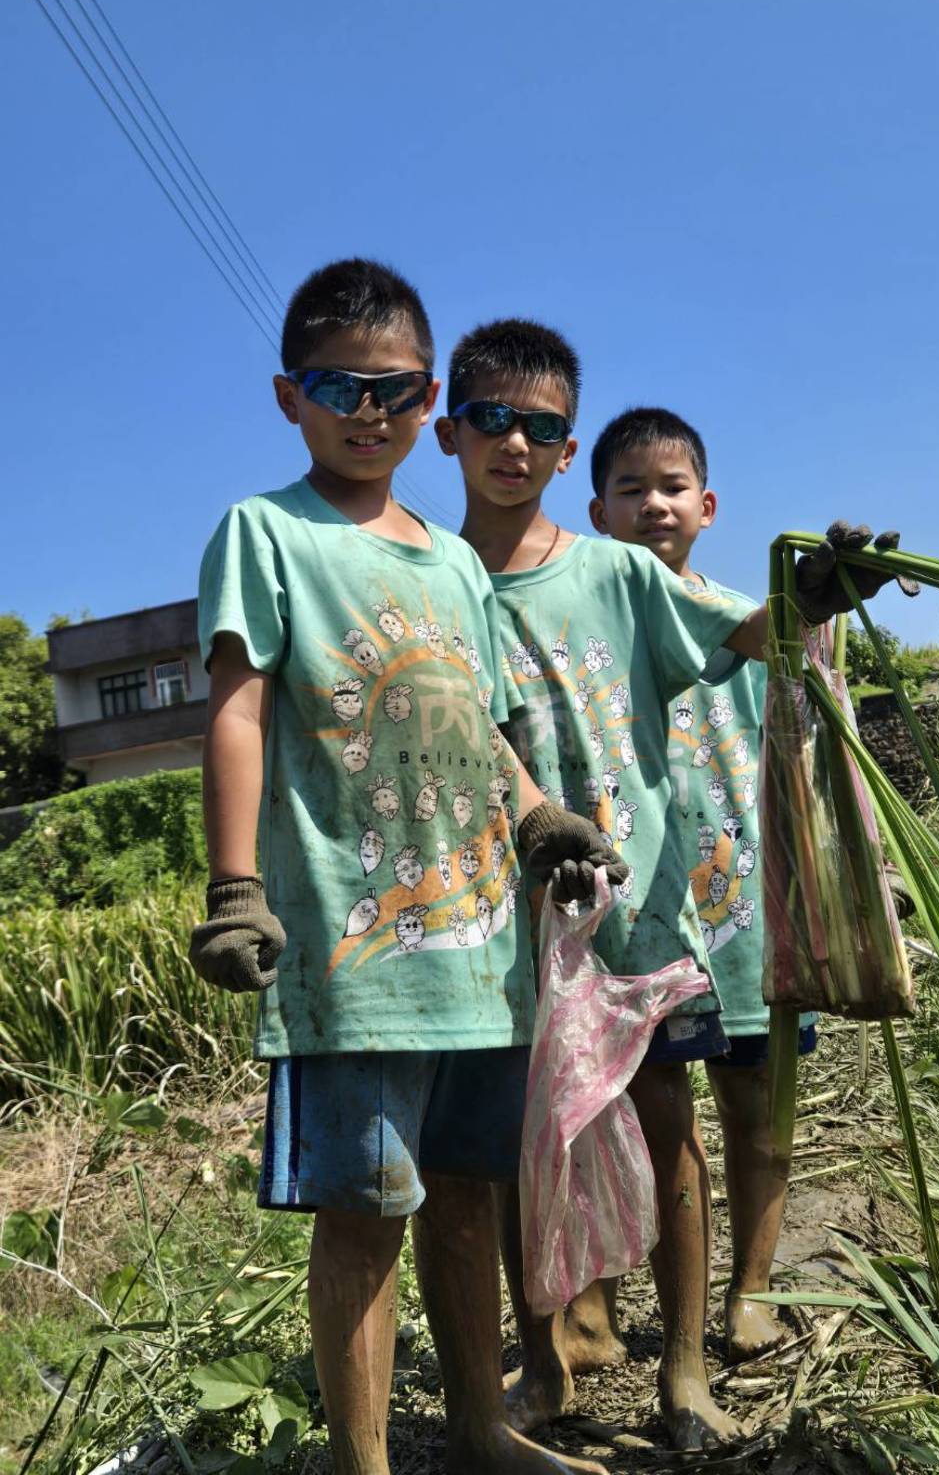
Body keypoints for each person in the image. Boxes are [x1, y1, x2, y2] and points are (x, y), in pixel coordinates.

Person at [435, 319, 905, 1452]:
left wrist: (817, 594)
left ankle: (685, 1370)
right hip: (502, 923)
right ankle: (548, 1365)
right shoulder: (436, 582)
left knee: (669, 1127)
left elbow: (746, 629)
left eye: (542, 424)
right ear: (448, 431)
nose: (516, 441)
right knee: (517, 1148)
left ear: (565, 446)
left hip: (639, 909)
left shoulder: (618, 571)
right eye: (493, 417)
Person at [190, 258, 622, 1475]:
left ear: (428, 400)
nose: (367, 413)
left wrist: (541, 818)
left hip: (479, 951)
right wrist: (235, 886)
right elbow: (235, 708)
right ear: (290, 396)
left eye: (392, 391)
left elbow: (483, 726)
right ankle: (365, 1463)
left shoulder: (452, 564)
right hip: (354, 943)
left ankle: (483, 1429)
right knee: (366, 1212)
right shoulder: (267, 532)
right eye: (339, 386)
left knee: (471, 1193)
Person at [587, 405, 819, 1363]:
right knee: (629, 1120)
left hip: (748, 912)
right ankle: (598, 1302)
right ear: (594, 513)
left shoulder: (758, 630)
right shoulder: (593, 634)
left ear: (708, 505)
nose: (652, 505)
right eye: (629, 490)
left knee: (758, 1112)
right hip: (642, 918)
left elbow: (814, 763)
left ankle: (751, 1292)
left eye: (671, 487)